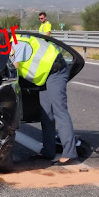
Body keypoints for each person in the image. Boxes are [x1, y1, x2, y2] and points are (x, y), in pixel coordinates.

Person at [8, 32, 78, 165]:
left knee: (59, 111)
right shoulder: (12, 43)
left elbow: (13, 69)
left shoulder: (17, 44)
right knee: (46, 114)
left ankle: (70, 153)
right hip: (44, 76)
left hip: (56, 71)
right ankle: (48, 151)